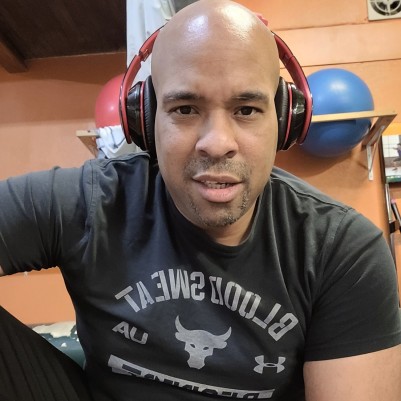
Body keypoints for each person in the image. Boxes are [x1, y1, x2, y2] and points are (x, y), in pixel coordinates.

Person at [0, 1, 401, 400]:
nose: (217, 143)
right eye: (186, 109)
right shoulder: (91, 202)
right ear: (145, 119)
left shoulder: (342, 249)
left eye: (246, 109)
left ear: (284, 119)